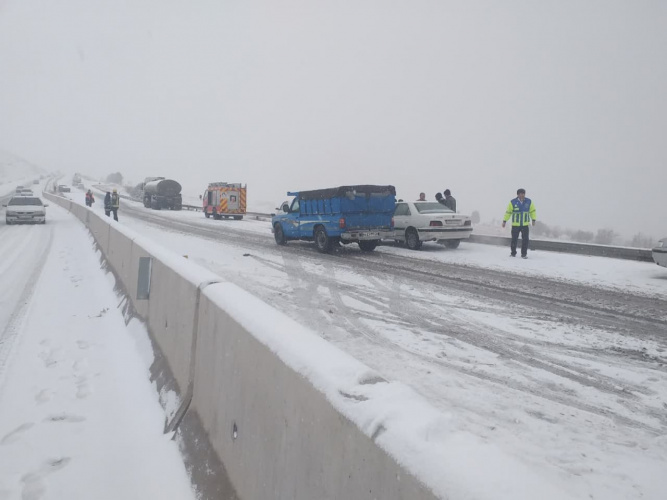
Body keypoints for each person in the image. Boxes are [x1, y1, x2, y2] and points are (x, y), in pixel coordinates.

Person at [502, 188, 536, 258]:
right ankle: (513, 253)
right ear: (518, 195)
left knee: (525, 240)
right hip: (515, 225)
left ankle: (524, 254)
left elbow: (532, 211)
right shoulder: (513, 202)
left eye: (523, 194)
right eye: (520, 194)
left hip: (525, 225)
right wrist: (504, 221)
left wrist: (533, 220)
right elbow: (508, 212)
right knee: (514, 240)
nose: (522, 195)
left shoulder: (529, 202)